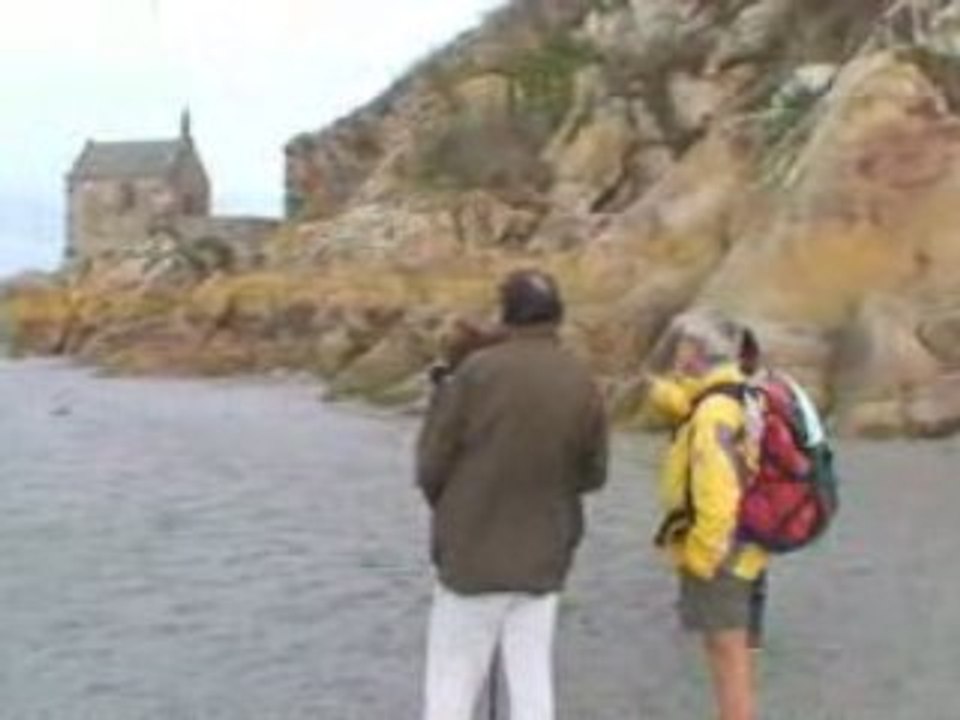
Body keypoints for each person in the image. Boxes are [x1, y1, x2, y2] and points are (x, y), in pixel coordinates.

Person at [417, 269, 608, 720]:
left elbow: (430, 466)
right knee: (532, 684)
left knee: (452, 687)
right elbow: (594, 474)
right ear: (556, 315)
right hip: (545, 558)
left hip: (471, 559)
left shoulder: (475, 373)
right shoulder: (582, 380)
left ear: (507, 313)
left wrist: (455, 513)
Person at [647, 314, 768, 720]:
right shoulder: (736, 394)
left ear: (697, 352)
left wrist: (701, 555)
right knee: (735, 656)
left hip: (722, 552)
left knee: (726, 656)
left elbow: (717, 494)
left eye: (683, 347)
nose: (678, 354)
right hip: (748, 546)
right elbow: (683, 401)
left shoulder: (714, 411)